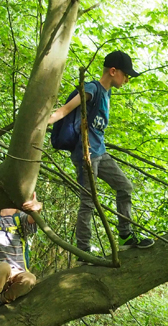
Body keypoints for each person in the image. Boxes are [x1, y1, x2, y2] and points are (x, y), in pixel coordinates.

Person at [48, 50, 154, 253]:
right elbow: (65, 110)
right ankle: (84, 251)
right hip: (85, 155)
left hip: (100, 153)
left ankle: (125, 236)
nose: (127, 80)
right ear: (114, 71)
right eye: (126, 75)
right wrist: (42, 123)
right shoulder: (92, 89)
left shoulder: (107, 93)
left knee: (125, 187)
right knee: (88, 202)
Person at [0, 189, 42, 326]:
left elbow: (31, 220)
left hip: (16, 275)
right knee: (4, 267)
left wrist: (36, 210)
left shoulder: (21, 218)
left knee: (30, 279)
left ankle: (1, 300)